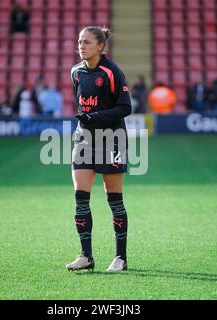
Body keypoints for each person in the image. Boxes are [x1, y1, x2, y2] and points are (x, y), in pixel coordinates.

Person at [66, 26, 132, 272]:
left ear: (100, 46)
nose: (81, 46)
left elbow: (125, 108)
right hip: (84, 142)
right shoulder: (75, 72)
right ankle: (86, 256)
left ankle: (120, 259)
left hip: (112, 140)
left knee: (114, 201)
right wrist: (88, 121)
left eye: (86, 42)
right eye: (79, 41)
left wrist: (96, 118)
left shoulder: (112, 72)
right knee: (80, 200)